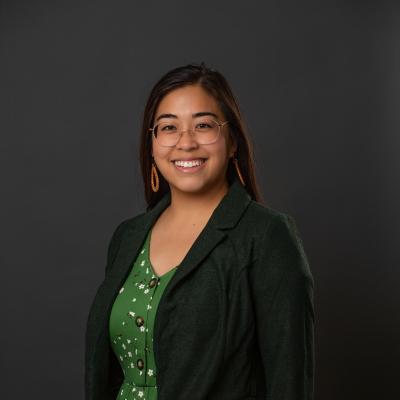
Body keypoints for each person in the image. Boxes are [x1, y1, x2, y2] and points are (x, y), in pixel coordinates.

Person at [84, 62, 315, 400]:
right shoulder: (127, 237)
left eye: (203, 125)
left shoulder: (266, 236)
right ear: (152, 144)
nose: (185, 143)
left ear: (232, 140)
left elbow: (290, 381)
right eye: (168, 128)